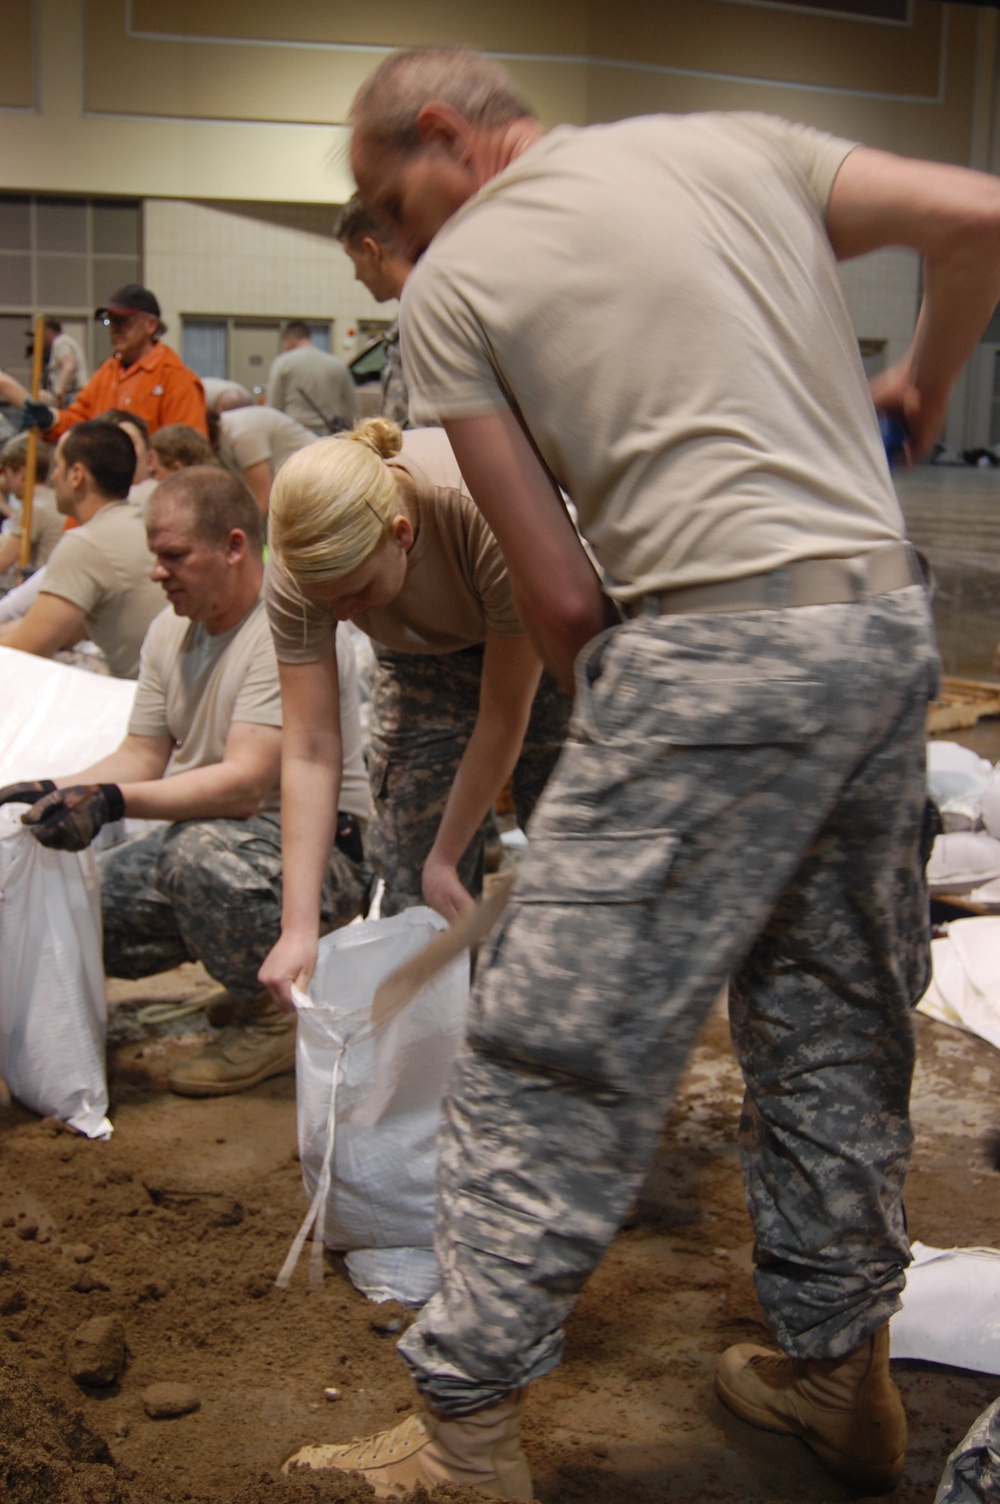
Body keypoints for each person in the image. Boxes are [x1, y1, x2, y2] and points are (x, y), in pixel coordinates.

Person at [275, 46, 1000, 1499]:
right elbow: (978, 213)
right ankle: (836, 1377)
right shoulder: (741, 144)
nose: (388, 236)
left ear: (444, 135)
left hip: (714, 648)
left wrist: (644, 760)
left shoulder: (459, 286)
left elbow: (555, 601)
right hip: (878, 630)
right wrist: (926, 370)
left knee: (551, 1049)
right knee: (832, 1018)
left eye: (383, 195)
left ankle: (460, 1432)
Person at [0, 465, 371, 1097]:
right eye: (154, 556)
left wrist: (112, 802)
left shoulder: (288, 629)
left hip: (314, 851)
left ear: (233, 547)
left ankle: (272, 1019)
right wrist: (51, 788)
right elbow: (141, 756)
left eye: (173, 556)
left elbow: (244, 785)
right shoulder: (171, 630)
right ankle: (249, 977)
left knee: (197, 858)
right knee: (89, 909)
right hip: (217, 841)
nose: (156, 573)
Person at [258, 417, 571, 1004]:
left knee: (572, 852)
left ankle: (562, 1039)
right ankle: (442, 1058)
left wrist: (447, 856)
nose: (343, 616)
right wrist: (297, 928)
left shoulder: (481, 516)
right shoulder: (306, 560)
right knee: (412, 882)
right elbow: (310, 745)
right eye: (328, 601)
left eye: (356, 592)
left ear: (401, 534)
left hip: (540, 641)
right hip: (418, 656)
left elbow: (503, 714)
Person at [0, 420, 163, 677]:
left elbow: (27, 648)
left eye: (58, 466)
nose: (53, 476)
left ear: (76, 475)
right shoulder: (139, 522)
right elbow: (56, 629)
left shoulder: (87, 543)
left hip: (134, 697)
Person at [17, 285, 208, 441]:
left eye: (125, 321)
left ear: (151, 325)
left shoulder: (176, 379)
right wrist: (51, 420)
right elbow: (81, 421)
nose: (115, 329)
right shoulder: (107, 372)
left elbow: (188, 451)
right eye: (110, 321)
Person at [335, 194, 412, 427]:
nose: (356, 276)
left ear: (372, 251)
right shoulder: (418, 311)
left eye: (353, 260)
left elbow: (412, 429)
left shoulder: (421, 319)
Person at [266, 320, 358, 435]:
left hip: (295, 432)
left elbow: (274, 406)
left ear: (289, 339)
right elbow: (352, 407)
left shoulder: (283, 363)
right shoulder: (337, 365)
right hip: (328, 431)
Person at [0, 433, 63, 583]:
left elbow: (2, 562)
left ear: (21, 473)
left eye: (6, 472)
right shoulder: (54, 499)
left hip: (38, 589)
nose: (5, 481)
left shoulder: (33, 509)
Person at [42, 319, 88, 407]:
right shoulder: (67, 341)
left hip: (72, 396)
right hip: (75, 394)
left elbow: (69, 366)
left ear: (48, 331)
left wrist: (59, 392)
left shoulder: (60, 342)